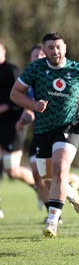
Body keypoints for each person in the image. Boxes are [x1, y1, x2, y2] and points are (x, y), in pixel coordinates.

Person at [10, 32, 79, 238]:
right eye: (50, 48)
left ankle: (52, 222)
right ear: (45, 51)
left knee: (60, 168)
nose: (55, 51)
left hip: (69, 128)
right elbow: (15, 93)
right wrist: (33, 105)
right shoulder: (36, 69)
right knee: (47, 178)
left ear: (65, 47)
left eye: (58, 47)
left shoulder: (77, 70)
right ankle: (70, 192)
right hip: (43, 130)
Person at [0, 38, 37, 219]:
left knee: (12, 170)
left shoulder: (12, 70)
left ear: (4, 51)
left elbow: (18, 98)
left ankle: (38, 186)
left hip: (12, 126)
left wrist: (4, 107)